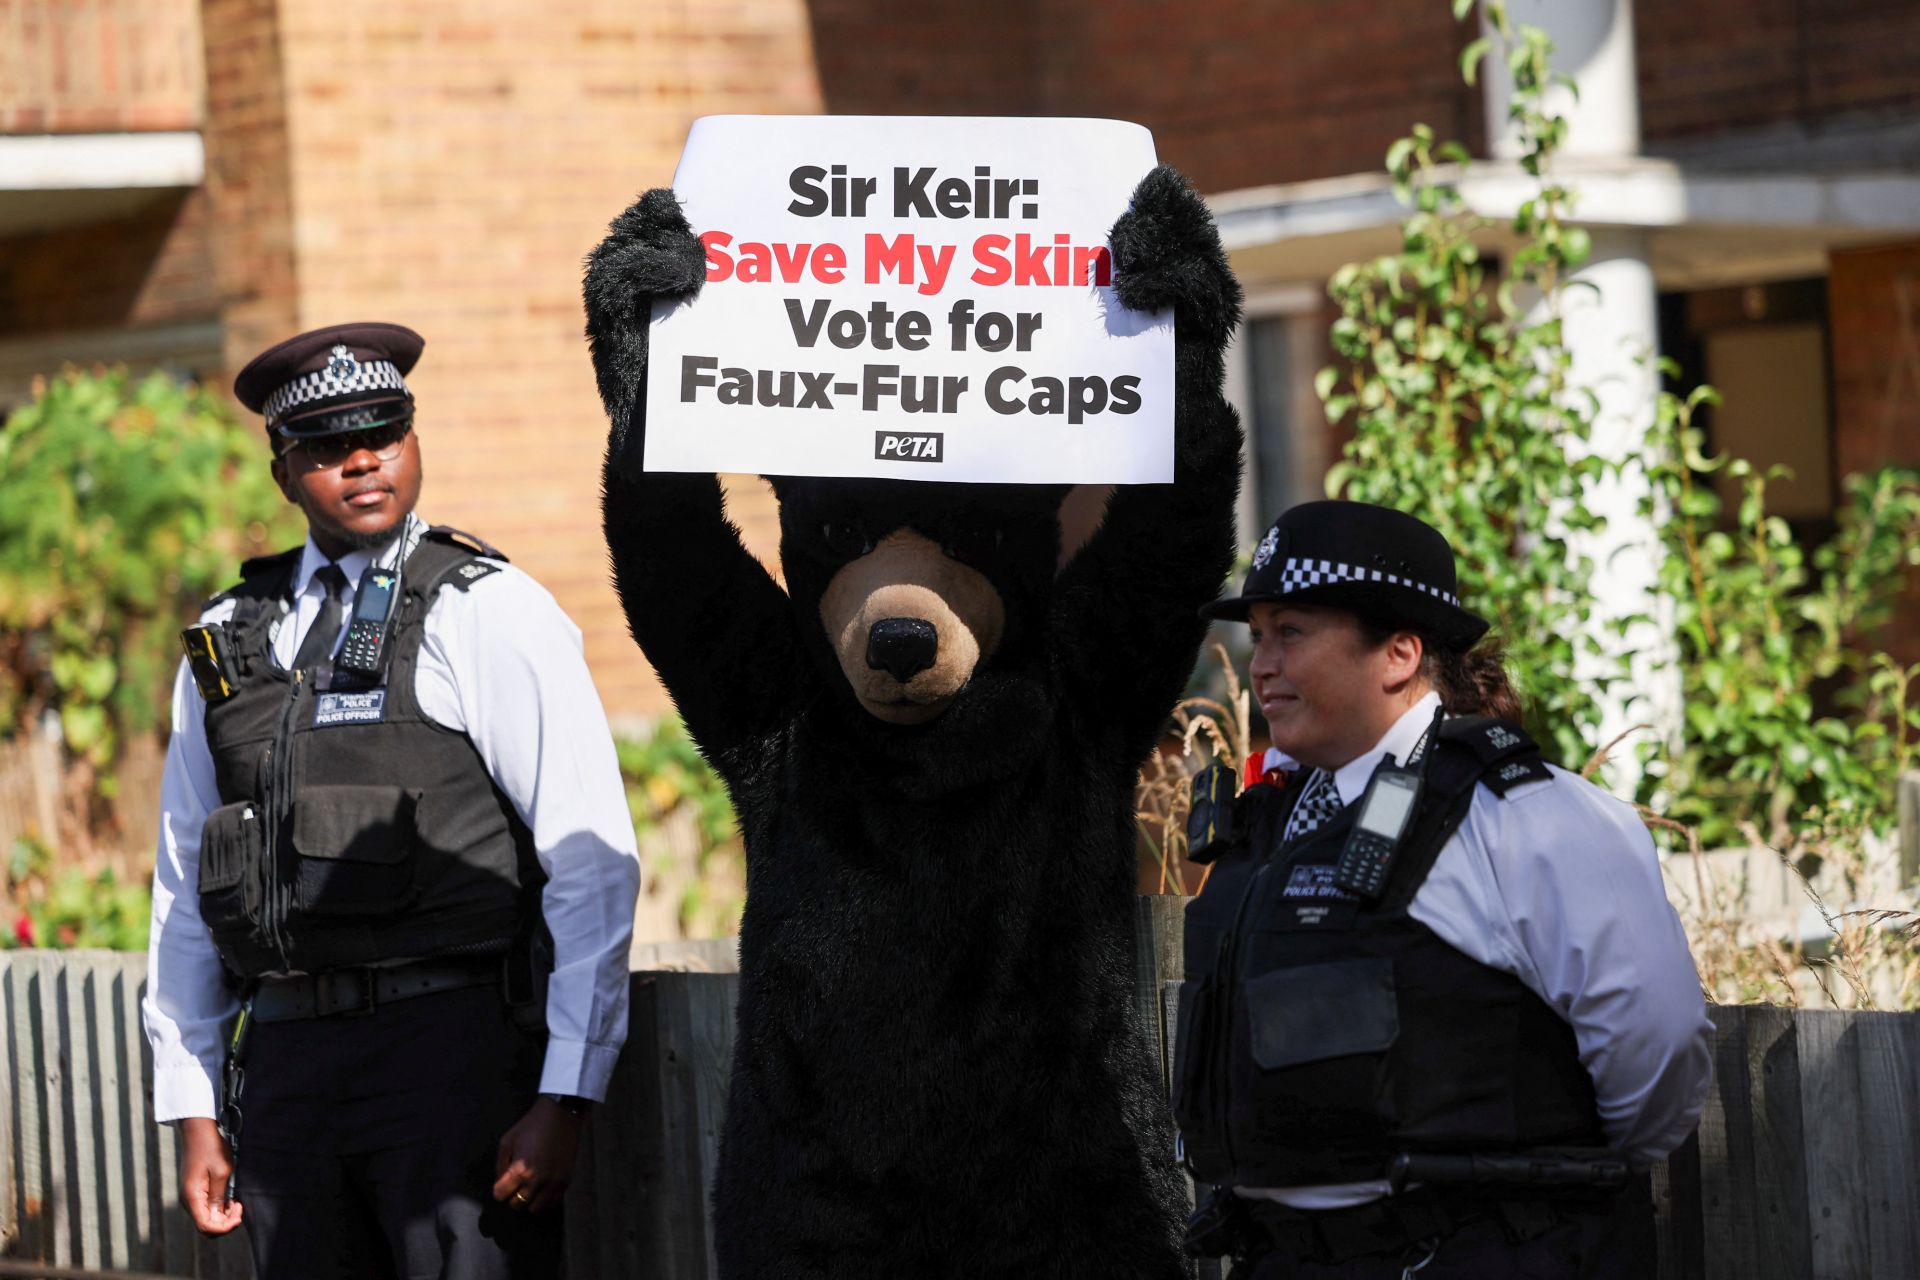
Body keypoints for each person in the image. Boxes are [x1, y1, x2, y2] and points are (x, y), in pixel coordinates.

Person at [141, 322, 641, 1279]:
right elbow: (184, 883)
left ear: (414, 441)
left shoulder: (484, 608)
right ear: (284, 474)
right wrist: (193, 1101)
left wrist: (566, 1094)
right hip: (287, 1071)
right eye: (328, 445)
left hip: (450, 1060)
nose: (364, 460)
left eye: (385, 432)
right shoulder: (229, 637)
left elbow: (589, 861)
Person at [1172, 500, 1712, 1279]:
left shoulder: (1531, 816)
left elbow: (1656, 1049)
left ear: (1399, 653)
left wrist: (1536, 1182)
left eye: (1291, 632)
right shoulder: (1270, 821)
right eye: (1258, 636)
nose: (1261, 665)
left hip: (1477, 1252)